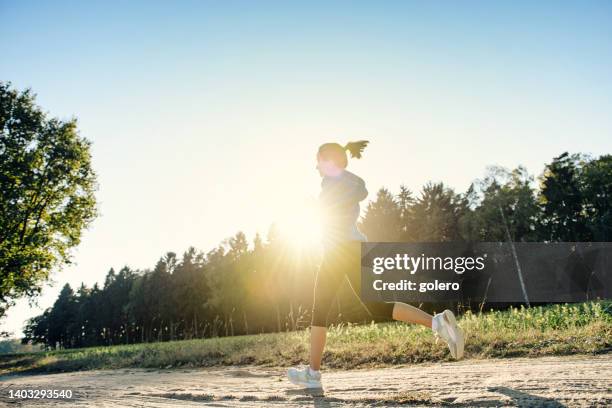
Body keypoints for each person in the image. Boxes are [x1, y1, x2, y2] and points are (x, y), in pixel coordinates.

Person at [287, 140, 465, 389]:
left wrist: (322, 200)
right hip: (351, 250)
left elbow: (359, 191)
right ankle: (437, 323)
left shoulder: (336, 182)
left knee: (321, 310)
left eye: (319, 160)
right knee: (376, 306)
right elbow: (353, 192)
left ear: (328, 162)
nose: (315, 166)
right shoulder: (336, 182)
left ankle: (313, 375)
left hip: (342, 252)